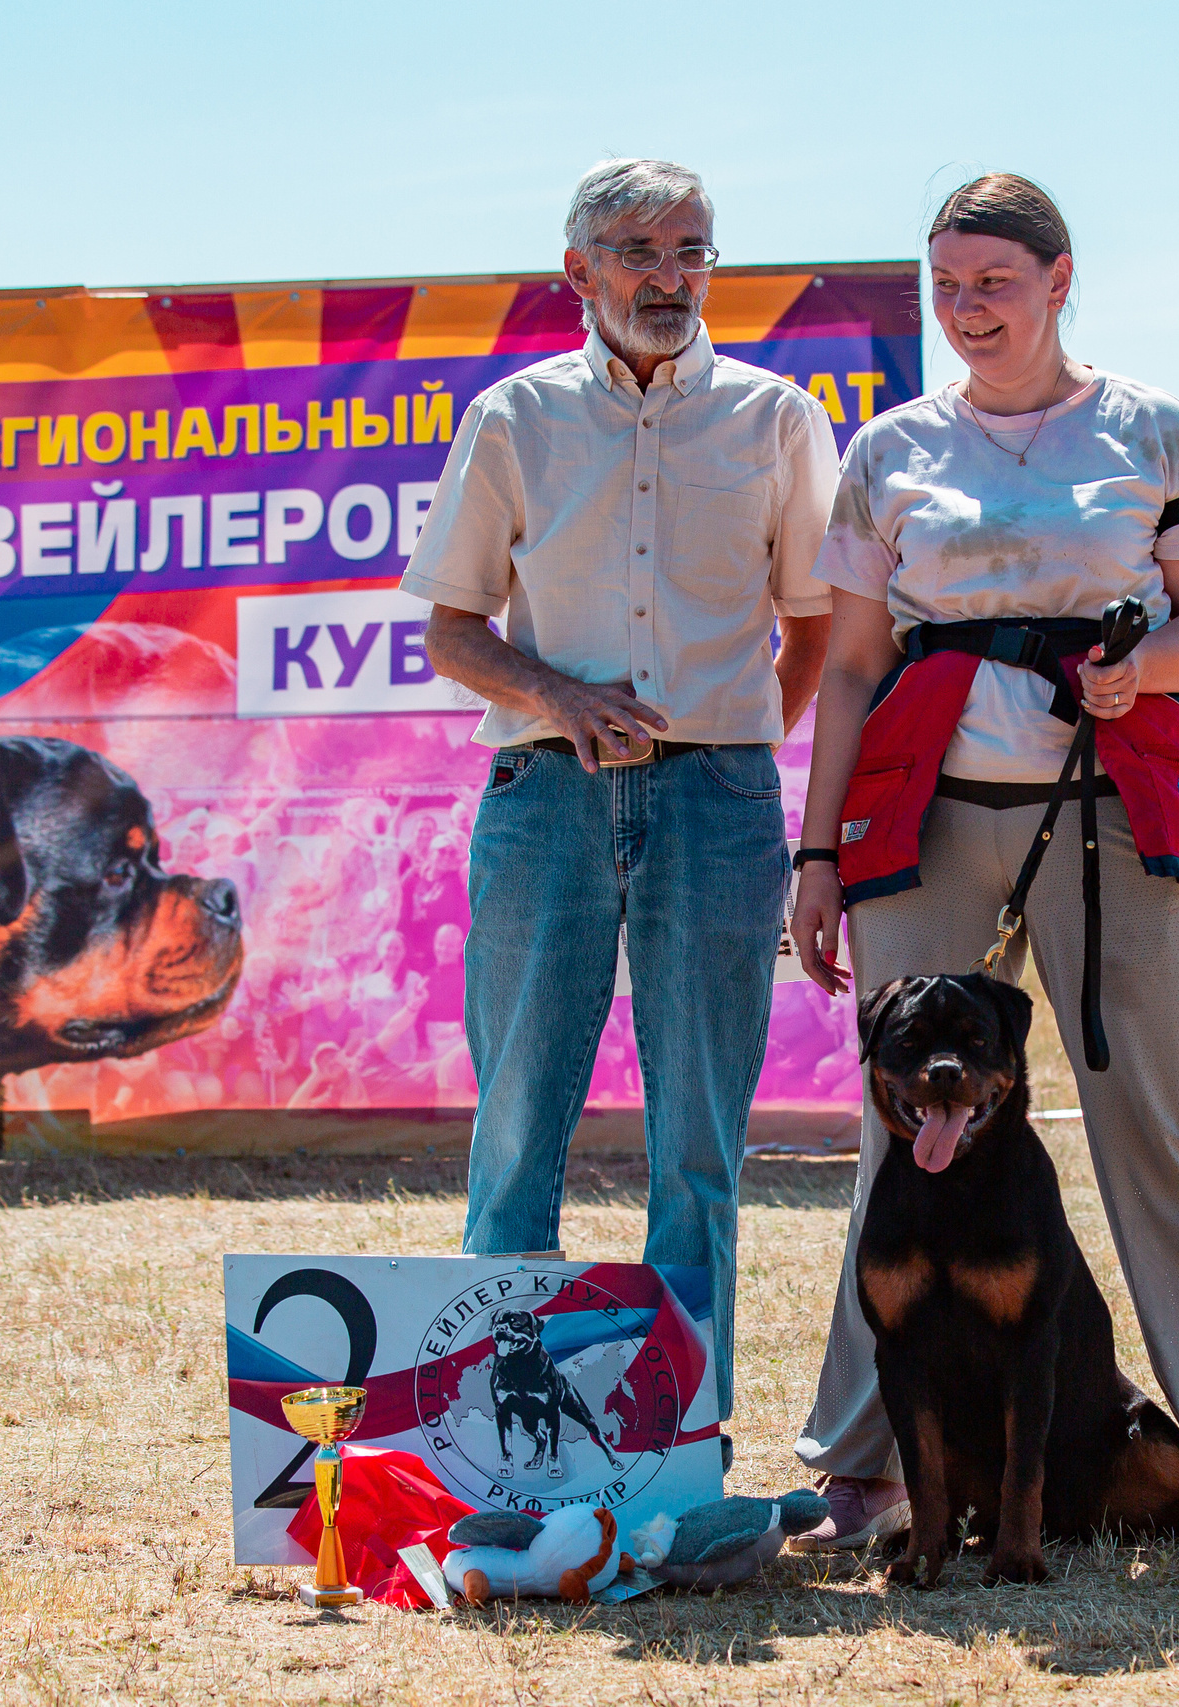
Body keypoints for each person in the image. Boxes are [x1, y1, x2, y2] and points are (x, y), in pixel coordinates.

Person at [785, 173, 1179, 1558]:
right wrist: (818, 849)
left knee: (1172, 1122)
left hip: (1113, 802)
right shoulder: (887, 448)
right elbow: (850, 666)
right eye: (947, 285)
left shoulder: (1159, 429)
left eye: (994, 283)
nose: (967, 309)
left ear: (1059, 278)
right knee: (897, 1127)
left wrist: (1143, 670)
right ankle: (865, 1463)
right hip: (927, 809)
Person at [402, 159, 838, 1435]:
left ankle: (676, 1446)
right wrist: (558, 697)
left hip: (719, 805)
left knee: (698, 1145)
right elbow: (452, 630)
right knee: (516, 1133)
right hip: (544, 795)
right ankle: (494, 1447)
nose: (669, 274)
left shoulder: (775, 419)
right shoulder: (514, 418)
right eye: (638, 250)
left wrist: (730, 745)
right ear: (577, 273)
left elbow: (811, 627)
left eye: (692, 249)